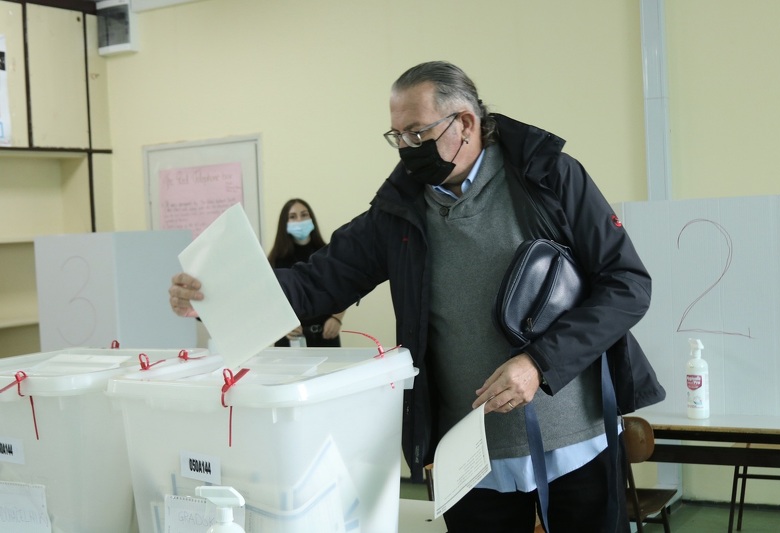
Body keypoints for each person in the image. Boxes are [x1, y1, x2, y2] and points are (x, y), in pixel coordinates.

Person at [169, 61, 665, 532]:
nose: (406, 148)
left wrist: (538, 362)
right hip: (469, 454)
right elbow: (318, 280)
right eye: (397, 137)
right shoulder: (398, 212)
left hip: (578, 440)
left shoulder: (549, 177)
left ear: (465, 123)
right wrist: (221, 293)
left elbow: (627, 284)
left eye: (417, 134)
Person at [268, 198, 345, 347]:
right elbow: (269, 300)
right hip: (290, 340)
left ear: (311, 218)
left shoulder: (327, 252)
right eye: (293, 216)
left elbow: (343, 288)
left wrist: (337, 318)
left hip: (325, 336)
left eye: (304, 215)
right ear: (284, 223)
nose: (299, 220)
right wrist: (281, 325)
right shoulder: (275, 259)